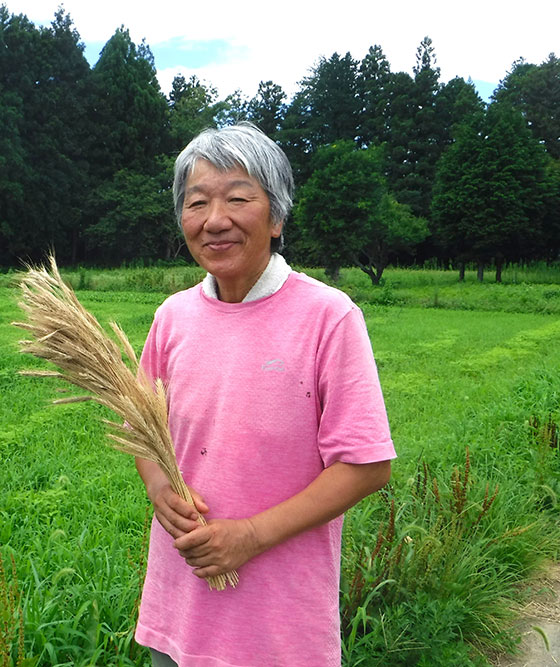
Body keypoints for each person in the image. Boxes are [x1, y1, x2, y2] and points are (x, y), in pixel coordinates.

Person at [133, 123, 396, 667]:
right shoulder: (172, 318)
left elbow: (366, 465)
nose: (215, 220)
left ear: (276, 217)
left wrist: (250, 535)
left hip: (278, 631)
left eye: (237, 199)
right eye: (196, 202)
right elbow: (141, 426)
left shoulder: (328, 317)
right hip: (177, 614)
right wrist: (159, 487)